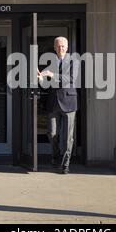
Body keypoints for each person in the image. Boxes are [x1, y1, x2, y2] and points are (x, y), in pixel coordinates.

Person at [38, 37, 78, 174]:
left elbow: (71, 79)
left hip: (68, 103)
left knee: (68, 137)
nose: (61, 48)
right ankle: (56, 156)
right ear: (54, 48)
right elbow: (46, 85)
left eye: (63, 46)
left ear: (67, 47)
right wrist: (41, 79)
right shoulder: (51, 62)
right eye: (58, 46)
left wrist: (52, 74)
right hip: (53, 103)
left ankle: (66, 164)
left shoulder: (74, 61)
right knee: (52, 133)